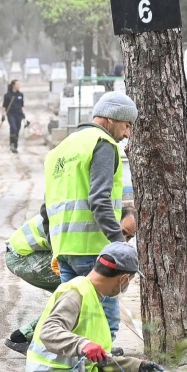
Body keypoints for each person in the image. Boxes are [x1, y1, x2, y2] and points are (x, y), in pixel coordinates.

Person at [11, 241, 166, 372]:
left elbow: (98, 358)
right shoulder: (75, 293)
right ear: (124, 278)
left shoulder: (94, 297)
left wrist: (136, 366)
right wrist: (83, 344)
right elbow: (49, 331)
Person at [41, 91, 137, 341]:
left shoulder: (60, 150)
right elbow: (99, 199)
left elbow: (46, 207)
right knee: (104, 323)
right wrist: (118, 243)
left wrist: (55, 246)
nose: (127, 134)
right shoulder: (102, 144)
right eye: (127, 125)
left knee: (74, 318)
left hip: (65, 251)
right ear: (111, 119)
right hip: (94, 250)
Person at [2, 208, 134, 355]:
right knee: (96, 289)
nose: (124, 241)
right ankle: (102, 347)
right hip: (24, 255)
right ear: (112, 220)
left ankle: (25, 335)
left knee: (73, 298)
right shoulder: (92, 223)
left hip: (42, 250)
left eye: (129, 237)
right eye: (122, 233)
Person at [1, 79, 26, 153]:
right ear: (13, 85)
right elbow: (4, 106)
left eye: (19, 84)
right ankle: (11, 143)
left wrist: (24, 113)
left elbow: (22, 105)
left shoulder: (20, 95)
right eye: (17, 84)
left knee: (17, 130)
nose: (19, 86)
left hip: (19, 114)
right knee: (13, 127)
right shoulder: (7, 95)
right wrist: (3, 115)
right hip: (11, 114)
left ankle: (15, 145)